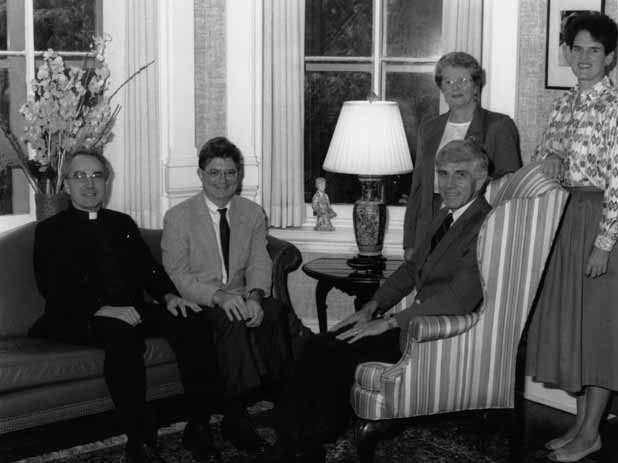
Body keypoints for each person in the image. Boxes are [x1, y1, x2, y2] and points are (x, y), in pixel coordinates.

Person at [260, 139, 491, 463]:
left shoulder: (485, 225)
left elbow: (459, 299)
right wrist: (372, 306)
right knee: (318, 344)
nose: (449, 183)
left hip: (440, 335)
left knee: (329, 351)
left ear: (480, 180)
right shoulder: (445, 216)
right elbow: (411, 270)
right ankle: (298, 442)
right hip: (414, 325)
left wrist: (389, 321)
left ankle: (301, 445)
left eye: (460, 175)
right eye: (443, 173)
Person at [30, 150, 222, 463]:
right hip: (75, 316)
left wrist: (170, 297)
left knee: (192, 320)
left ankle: (199, 426)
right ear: (66, 185)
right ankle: (141, 441)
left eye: (97, 175)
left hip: (128, 311)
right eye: (80, 176)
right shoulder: (50, 230)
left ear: (107, 181)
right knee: (121, 333)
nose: (89, 183)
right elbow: (52, 287)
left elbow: (150, 271)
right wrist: (100, 308)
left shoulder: (122, 223)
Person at [525, 12, 618, 462]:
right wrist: (550, 156)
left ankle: (591, 432)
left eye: (594, 49)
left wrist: (604, 242)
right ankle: (579, 426)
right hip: (564, 218)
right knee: (575, 327)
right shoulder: (563, 105)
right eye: (577, 48)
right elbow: (541, 158)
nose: (584, 57)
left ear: (610, 56)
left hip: (601, 224)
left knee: (599, 330)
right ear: (567, 53)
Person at [161, 136, 301, 454]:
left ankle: (286, 408)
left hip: (242, 294)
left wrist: (255, 296)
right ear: (200, 174)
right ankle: (236, 416)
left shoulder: (251, 213)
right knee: (230, 319)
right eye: (214, 172)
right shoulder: (179, 217)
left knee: (275, 311)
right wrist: (219, 297)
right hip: (203, 299)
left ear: (238, 175)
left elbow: (258, 261)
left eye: (230, 173)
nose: (223, 181)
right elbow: (178, 275)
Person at [403, 51, 521, 261]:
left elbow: (509, 190)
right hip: (430, 229)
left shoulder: (498, 126)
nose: (455, 87)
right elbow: (419, 188)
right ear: (441, 88)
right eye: (448, 81)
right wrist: (410, 241)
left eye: (463, 80)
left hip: (475, 229)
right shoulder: (429, 129)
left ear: (476, 85)